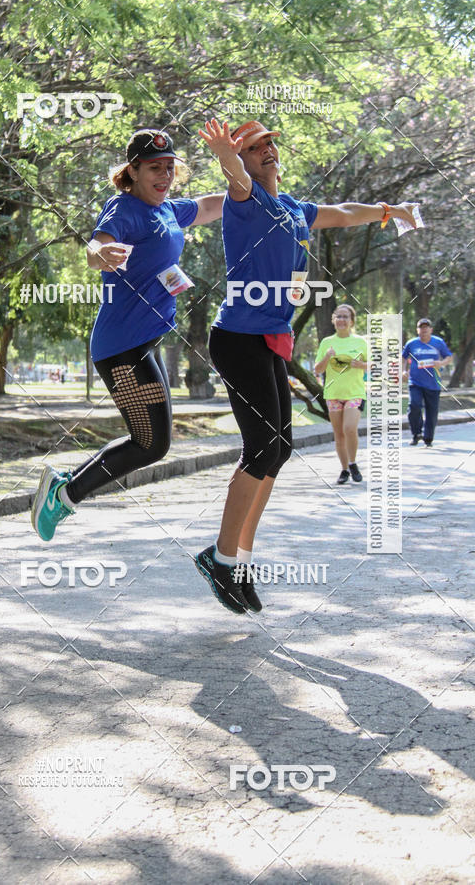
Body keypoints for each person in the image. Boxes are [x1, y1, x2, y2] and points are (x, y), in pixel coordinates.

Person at [194, 118, 417, 615]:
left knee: (278, 451)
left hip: (269, 341)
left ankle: (239, 558)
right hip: (237, 340)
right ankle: (219, 558)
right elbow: (234, 175)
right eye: (256, 148)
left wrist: (388, 210)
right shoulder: (246, 201)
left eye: (271, 143)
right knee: (262, 448)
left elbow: (339, 213)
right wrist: (226, 155)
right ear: (245, 160)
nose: (267, 151)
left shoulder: (294, 207)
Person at [31, 129, 225, 541]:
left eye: (171, 168)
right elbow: (96, 245)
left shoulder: (169, 211)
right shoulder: (124, 208)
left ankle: (62, 491)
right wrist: (100, 254)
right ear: (133, 170)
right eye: (156, 168)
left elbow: (211, 206)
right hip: (121, 347)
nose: (165, 176)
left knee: (150, 441)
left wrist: (251, 187)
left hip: (139, 346)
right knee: (151, 444)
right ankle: (63, 497)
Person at [314, 304, 369, 484]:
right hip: (333, 394)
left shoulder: (360, 342)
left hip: (355, 392)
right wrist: (327, 356)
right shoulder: (326, 342)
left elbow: (374, 365)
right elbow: (317, 369)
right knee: (339, 435)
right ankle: (344, 470)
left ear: (352, 321)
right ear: (333, 320)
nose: (342, 320)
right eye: (339, 316)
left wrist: (360, 365)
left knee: (349, 428)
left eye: (345, 317)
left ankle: (353, 463)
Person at [402, 318, 452, 446]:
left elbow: (449, 356)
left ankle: (428, 438)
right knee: (414, 406)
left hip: (433, 383)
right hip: (415, 382)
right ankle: (416, 433)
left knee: (432, 411)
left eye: (426, 327)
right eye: (421, 327)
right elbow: (403, 357)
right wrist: (403, 371)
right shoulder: (411, 343)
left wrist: (441, 363)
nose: (424, 330)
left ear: (431, 329)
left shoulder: (438, 342)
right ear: (417, 330)